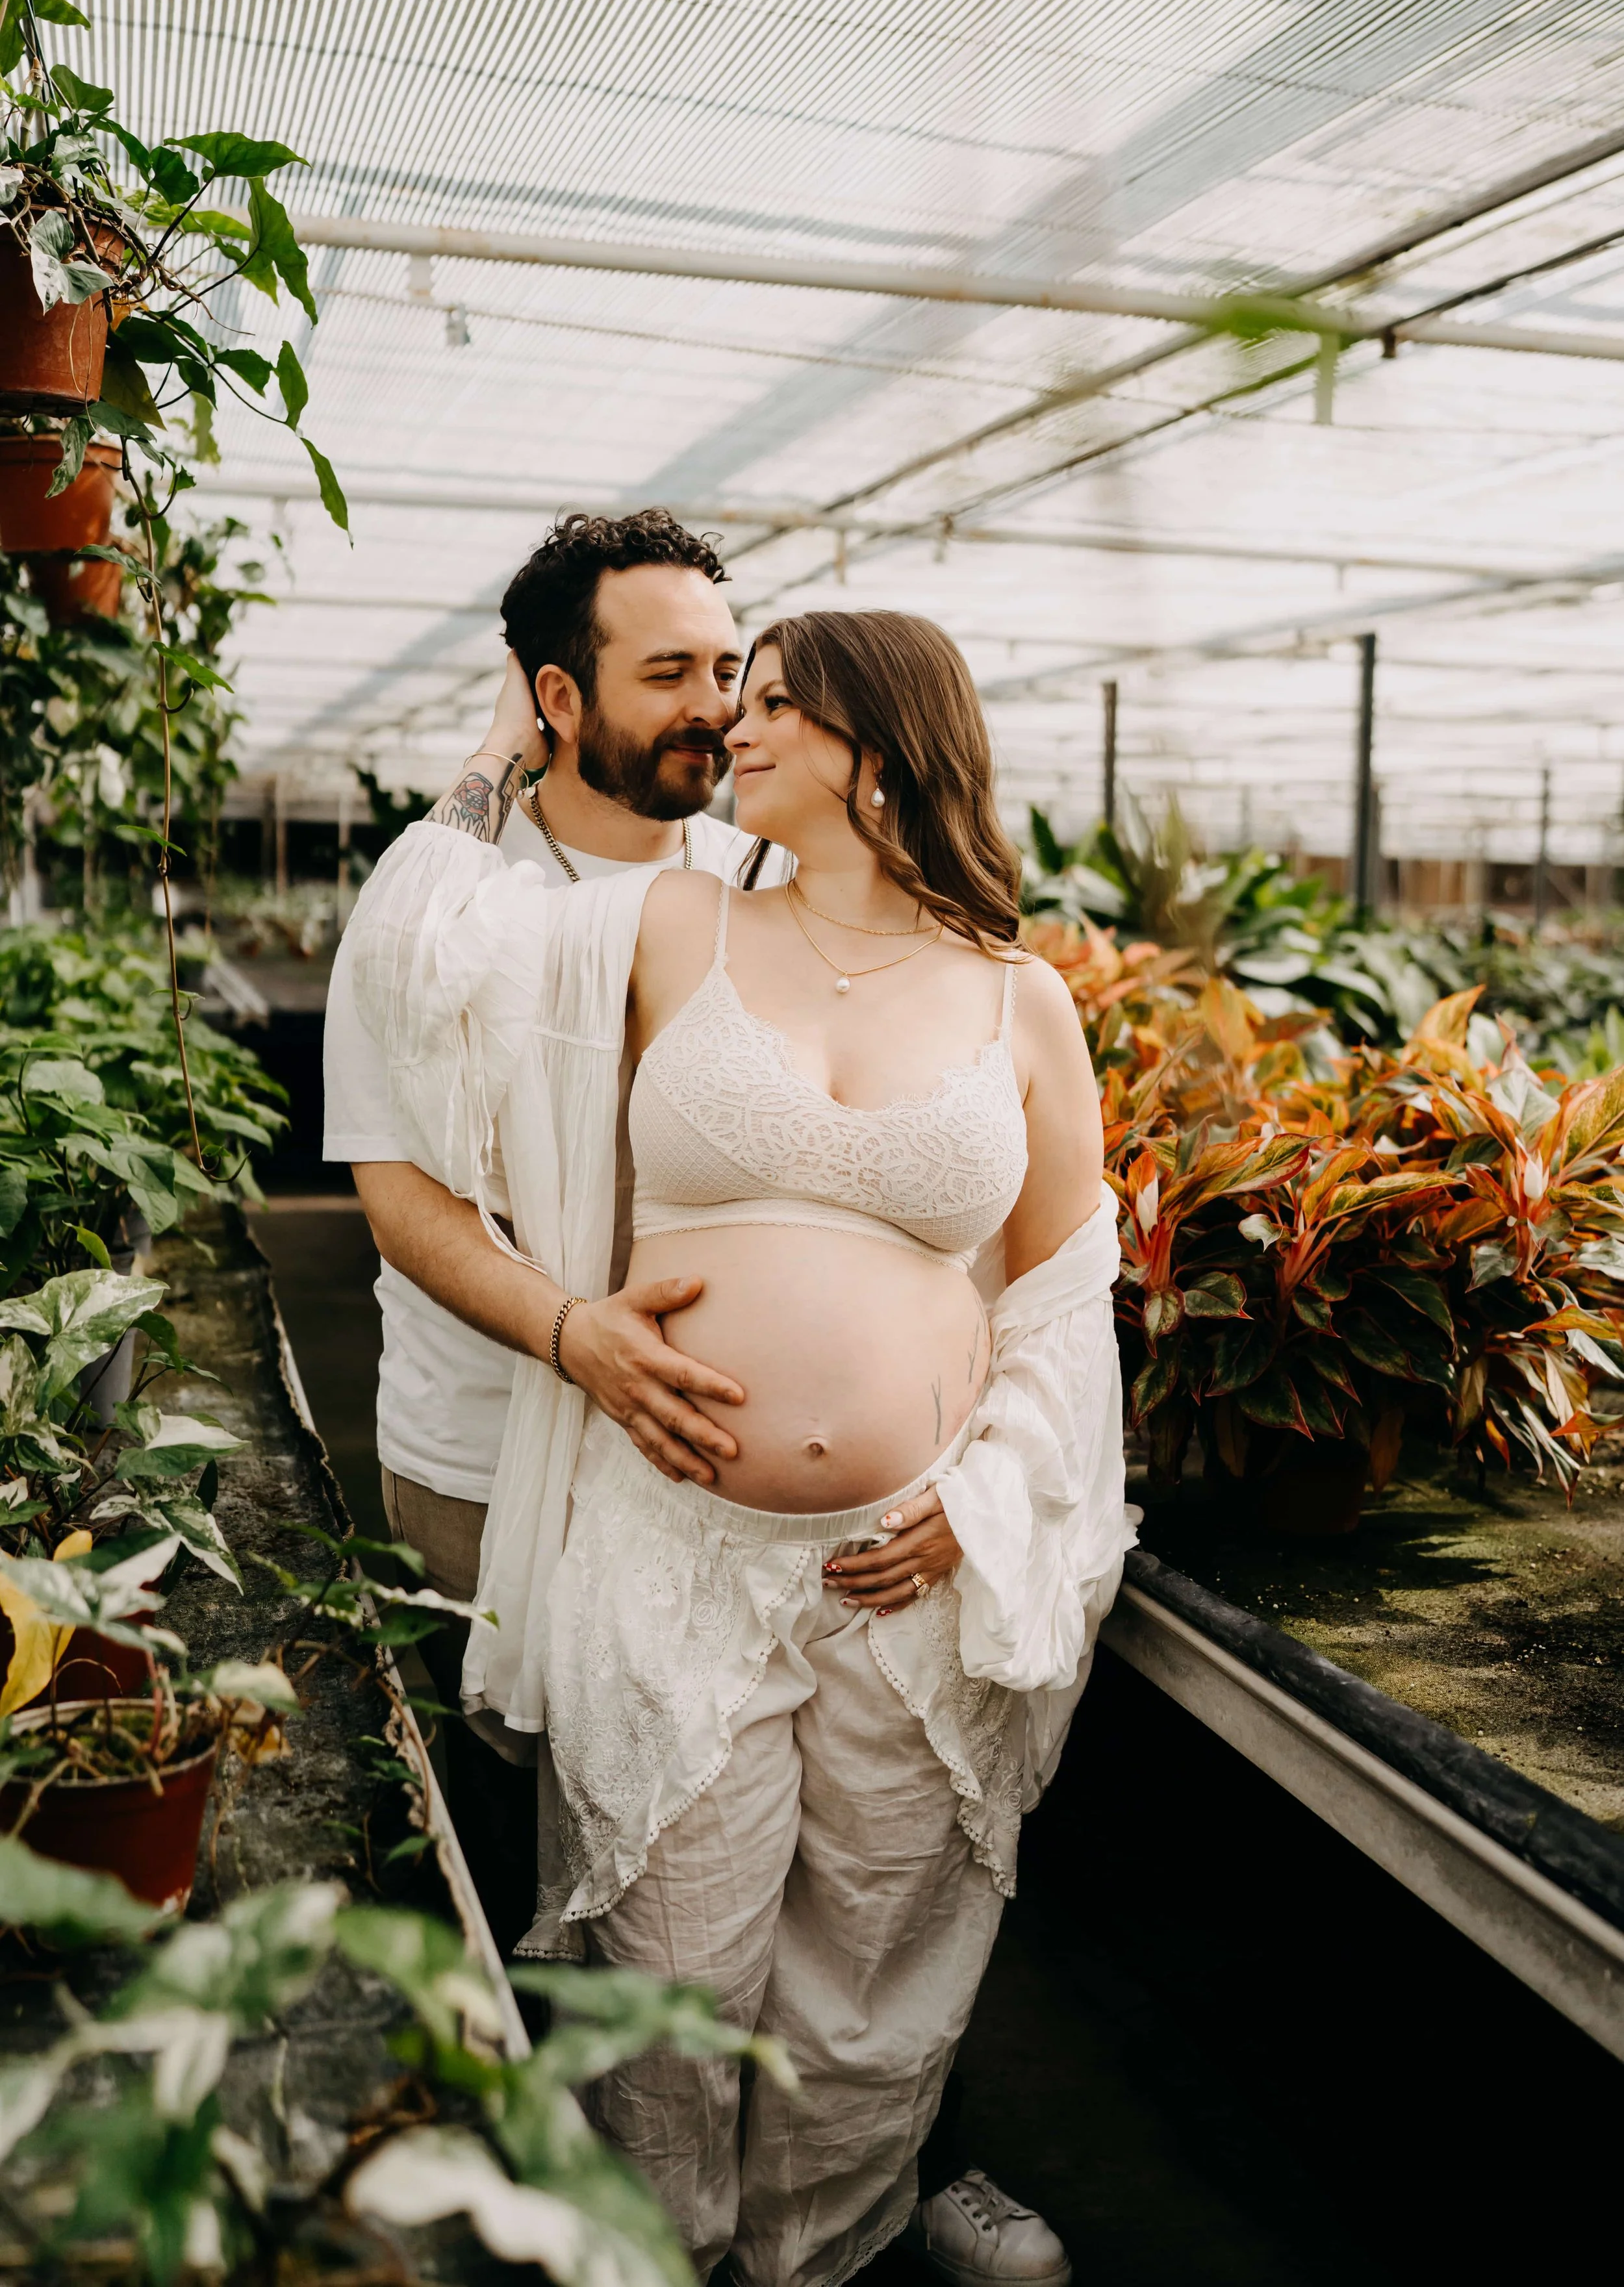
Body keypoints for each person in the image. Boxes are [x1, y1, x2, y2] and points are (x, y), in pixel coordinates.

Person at [341, 605, 1133, 2287]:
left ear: (881, 746)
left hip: (911, 1578)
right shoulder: (665, 921)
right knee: (673, 1975)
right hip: (673, 1548)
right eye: (731, 695)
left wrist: (989, 1496)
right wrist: (506, 746)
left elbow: (1065, 1293)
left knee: (866, 1990)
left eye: (774, 702)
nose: (733, 727)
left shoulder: (1019, 998)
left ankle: (818, 2258)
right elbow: (418, 969)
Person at [323, 510, 786, 1954]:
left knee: (678, 1839)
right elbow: (401, 1198)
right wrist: (576, 1334)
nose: (714, 706)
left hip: (702, 1459)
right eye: (668, 673)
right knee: (507, 1831)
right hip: (485, 1457)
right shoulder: (442, 907)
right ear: (558, 698)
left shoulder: (765, 886)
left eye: (727, 667)